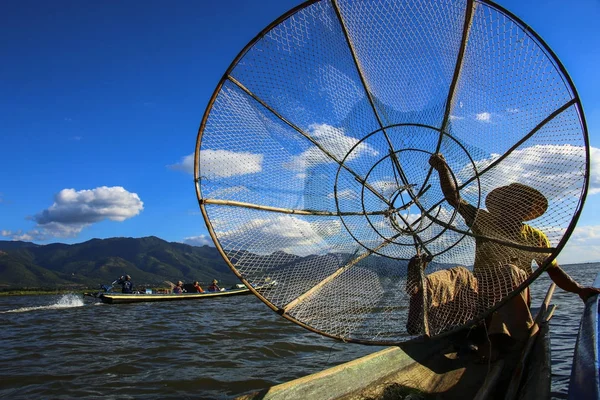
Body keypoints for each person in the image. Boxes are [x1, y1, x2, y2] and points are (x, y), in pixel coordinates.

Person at [406, 153, 600, 358]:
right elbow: (455, 199)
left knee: (509, 272)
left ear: (528, 210)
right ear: (500, 205)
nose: (514, 206)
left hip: (515, 297)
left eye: (521, 203)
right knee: (456, 274)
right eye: (510, 201)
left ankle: (520, 339)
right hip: (480, 297)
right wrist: (442, 168)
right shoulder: (483, 221)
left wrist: (578, 289)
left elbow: (553, 270)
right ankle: (429, 326)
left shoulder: (535, 237)